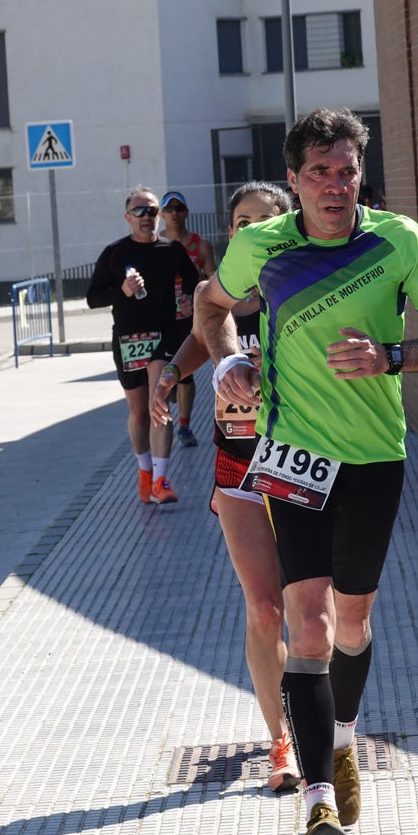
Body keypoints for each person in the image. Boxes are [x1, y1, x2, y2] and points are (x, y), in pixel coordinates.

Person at [194, 108, 418, 835]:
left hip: (375, 459)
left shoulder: (397, 241)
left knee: (353, 622)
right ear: (292, 180)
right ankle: (317, 801)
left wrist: (390, 355)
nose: (333, 185)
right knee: (306, 625)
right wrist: (225, 367)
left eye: (344, 170)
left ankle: (342, 735)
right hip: (291, 458)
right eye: (317, 172)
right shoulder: (263, 247)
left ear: (358, 174)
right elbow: (209, 305)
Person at [150, 181, 300, 793]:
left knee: (317, 613)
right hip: (237, 469)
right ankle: (281, 740)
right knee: (265, 610)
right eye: (240, 221)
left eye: (263, 221)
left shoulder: (302, 291)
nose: (248, 232)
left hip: (302, 468)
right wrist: (168, 376)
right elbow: (194, 342)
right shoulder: (218, 296)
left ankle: (326, 720)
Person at [86, 186, 199, 504]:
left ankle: (162, 480)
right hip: (128, 340)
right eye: (139, 211)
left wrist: (192, 302)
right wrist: (121, 290)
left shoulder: (172, 250)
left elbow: (196, 283)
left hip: (164, 337)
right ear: (127, 218)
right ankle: (145, 473)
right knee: (138, 414)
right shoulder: (114, 253)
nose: (146, 217)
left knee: (158, 403)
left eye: (151, 211)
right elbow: (93, 297)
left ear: (158, 215)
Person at [159, 191, 217, 448]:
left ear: (186, 212)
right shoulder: (156, 244)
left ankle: (184, 425)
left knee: (186, 375)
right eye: (169, 209)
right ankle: (164, 415)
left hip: (189, 317)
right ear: (162, 214)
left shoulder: (200, 245)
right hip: (161, 317)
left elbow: (213, 278)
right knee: (163, 371)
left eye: (179, 208)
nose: (174, 213)